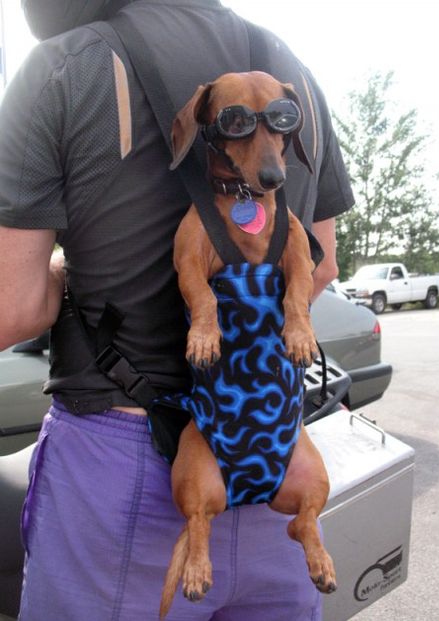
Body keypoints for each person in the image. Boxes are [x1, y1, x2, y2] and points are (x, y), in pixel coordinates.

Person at [0, 1, 354, 619]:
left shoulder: (65, 66)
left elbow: (15, 307)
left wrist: (62, 271)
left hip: (121, 472)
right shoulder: (293, 74)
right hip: (272, 451)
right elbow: (321, 265)